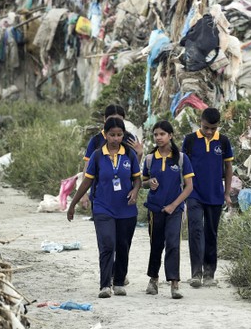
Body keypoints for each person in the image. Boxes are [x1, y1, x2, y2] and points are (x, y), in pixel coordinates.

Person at [67, 117, 142, 298]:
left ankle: (118, 282)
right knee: (107, 243)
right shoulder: (98, 155)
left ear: (123, 135)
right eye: (112, 135)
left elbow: (137, 178)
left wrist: (135, 190)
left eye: (119, 135)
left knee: (123, 246)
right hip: (103, 207)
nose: (116, 138)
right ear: (105, 134)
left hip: (126, 208)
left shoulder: (130, 154)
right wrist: (73, 203)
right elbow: (87, 181)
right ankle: (105, 285)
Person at [181, 107, 234, 288]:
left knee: (211, 232)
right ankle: (196, 273)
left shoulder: (224, 142)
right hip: (194, 193)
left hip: (215, 194)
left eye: (213, 128)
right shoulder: (189, 140)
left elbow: (228, 169)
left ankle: (209, 272)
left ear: (218, 125)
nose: (209, 132)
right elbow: (183, 166)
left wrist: (226, 193)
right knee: (195, 230)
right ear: (200, 122)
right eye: (206, 128)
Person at [142, 121, 194, 299]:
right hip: (155, 209)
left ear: (170, 135)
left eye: (162, 134)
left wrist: (173, 205)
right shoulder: (150, 159)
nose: (158, 137)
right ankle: (153, 280)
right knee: (156, 244)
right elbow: (142, 182)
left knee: (173, 244)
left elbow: (189, 187)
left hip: (176, 209)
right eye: (156, 134)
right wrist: (149, 183)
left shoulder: (180, 159)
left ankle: (174, 283)